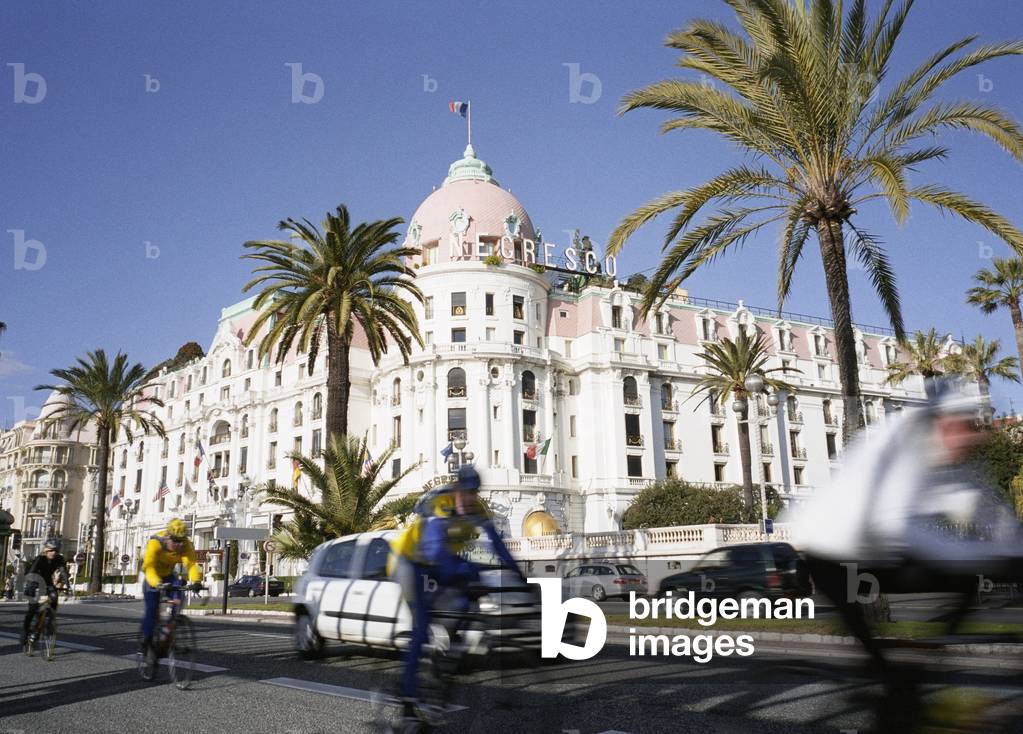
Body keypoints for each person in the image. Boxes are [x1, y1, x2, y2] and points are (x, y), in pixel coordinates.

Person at [784, 379, 1023, 731]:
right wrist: (986, 558)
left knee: (969, 578)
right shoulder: (902, 442)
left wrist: (1011, 553)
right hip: (831, 552)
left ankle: (923, 667)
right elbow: (897, 527)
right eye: (966, 429)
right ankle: (900, 694)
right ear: (945, 421)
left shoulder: (948, 451)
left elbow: (985, 505)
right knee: (892, 678)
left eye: (976, 430)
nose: (971, 440)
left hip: (874, 551)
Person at [391, 465, 522, 723]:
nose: (471, 498)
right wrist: (465, 576)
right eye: (467, 491)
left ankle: (445, 661)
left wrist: (521, 578)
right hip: (412, 563)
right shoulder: (441, 504)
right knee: (422, 627)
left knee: (469, 589)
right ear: (458, 487)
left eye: (475, 492)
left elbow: (498, 546)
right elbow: (435, 552)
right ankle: (408, 697)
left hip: (442, 561)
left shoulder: (478, 510)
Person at [140, 518, 202, 655]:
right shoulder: (156, 543)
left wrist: (197, 581)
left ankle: (168, 638)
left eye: (181, 541)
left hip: (169, 575)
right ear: (168, 537)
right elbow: (148, 567)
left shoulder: (186, 545)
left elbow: (191, 565)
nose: (178, 545)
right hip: (153, 577)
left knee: (179, 599)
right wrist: (158, 584)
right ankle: (147, 640)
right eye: (175, 541)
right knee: (152, 608)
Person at [21, 539, 68, 646]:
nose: (53, 552)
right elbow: (32, 572)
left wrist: (68, 587)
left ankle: (49, 619)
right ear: (46, 551)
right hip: (34, 582)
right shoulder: (39, 559)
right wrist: (31, 587)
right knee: (32, 610)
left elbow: (64, 572)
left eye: (55, 550)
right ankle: (26, 632)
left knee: (54, 597)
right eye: (51, 550)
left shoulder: (59, 559)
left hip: (47, 583)